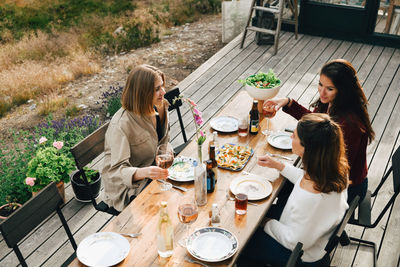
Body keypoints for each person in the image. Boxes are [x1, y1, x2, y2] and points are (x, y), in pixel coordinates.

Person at [237, 113, 349, 266]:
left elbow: (292, 241)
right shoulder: (333, 170)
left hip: (300, 256)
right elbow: (304, 178)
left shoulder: (311, 196)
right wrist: (279, 165)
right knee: (255, 214)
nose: (291, 138)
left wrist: (265, 222)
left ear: (307, 148)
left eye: (295, 136)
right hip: (313, 236)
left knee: (243, 241)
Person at [264, 59, 374, 203]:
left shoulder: (350, 124)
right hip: (325, 175)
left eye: (329, 88)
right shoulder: (330, 103)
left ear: (343, 90)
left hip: (344, 188)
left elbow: (337, 169)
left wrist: (304, 151)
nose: (322, 92)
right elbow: (316, 123)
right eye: (320, 84)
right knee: (281, 187)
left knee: (282, 190)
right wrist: (288, 102)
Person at [102, 64, 170, 212]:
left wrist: (166, 153)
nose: (163, 92)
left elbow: (164, 139)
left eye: (162, 86)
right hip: (127, 188)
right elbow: (115, 173)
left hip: (154, 170)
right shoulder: (121, 125)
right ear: (142, 93)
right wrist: (145, 172)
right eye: (157, 89)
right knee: (167, 206)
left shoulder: (159, 106)